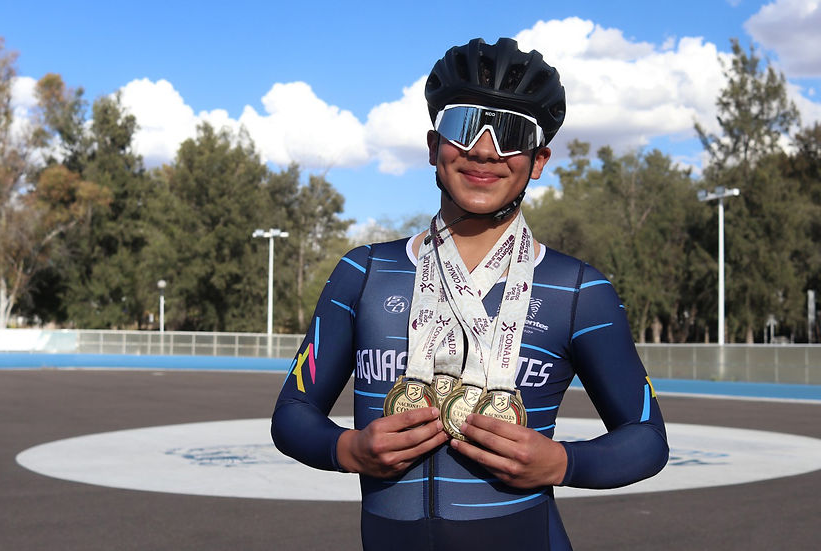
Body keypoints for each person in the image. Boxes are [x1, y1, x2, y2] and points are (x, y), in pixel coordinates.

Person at [271, 37, 668, 550]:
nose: (484, 150)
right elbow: (292, 413)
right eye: (464, 126)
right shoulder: (364, 272)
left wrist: (563, 462)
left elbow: (647, 438)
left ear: (539, 160)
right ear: (433, 145)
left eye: (512, 133)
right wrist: (347, 449)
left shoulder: (577, 290)